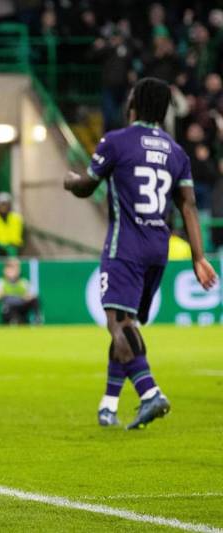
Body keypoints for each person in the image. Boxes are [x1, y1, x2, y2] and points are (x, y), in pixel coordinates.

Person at [64, 77, 217, 430]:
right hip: (158, 248)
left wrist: (70, 181)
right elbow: (188, 205)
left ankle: (150, 393)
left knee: (119, 323)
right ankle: (108, 406)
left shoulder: (116, 141)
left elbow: (87, 186)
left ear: (133, 104)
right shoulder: (176, 152)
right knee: (126, 325)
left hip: (126, 245)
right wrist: (198, 256)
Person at [0, 258, 42, 325]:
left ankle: (37, 319)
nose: (13, 271)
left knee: (35, 300)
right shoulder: (0, 283)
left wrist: (28, 296)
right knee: (9, 312)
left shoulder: (23, 282)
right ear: (5, 271)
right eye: (10, 268)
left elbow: (34, 296)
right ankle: (15, 321)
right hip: (9, 310)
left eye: (15, 269)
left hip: (21, 308)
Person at [0, 191, 24, 256]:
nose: (3, 207)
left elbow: (18, 236)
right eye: (1, 204)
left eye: (5, 204)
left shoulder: (16, 218)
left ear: (10, 205)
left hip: (14, 249)